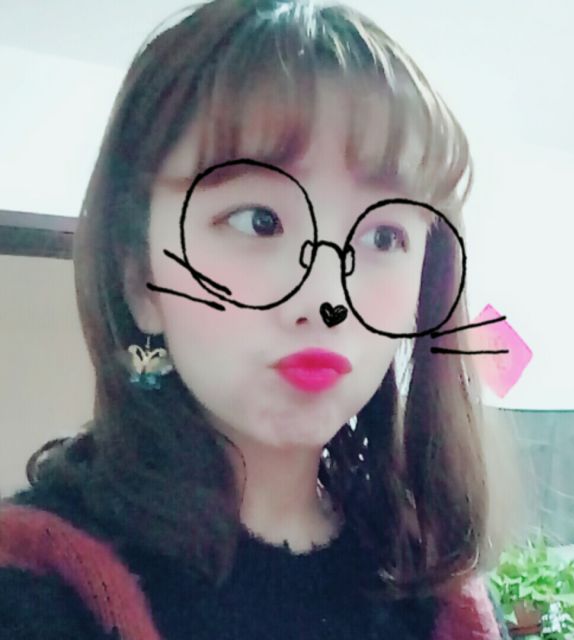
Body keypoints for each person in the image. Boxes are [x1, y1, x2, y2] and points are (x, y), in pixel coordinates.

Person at [0, 1, 515, 638]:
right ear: (140, 280)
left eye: (383, 237)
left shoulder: (438, 592)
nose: (325, 299)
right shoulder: (36, 585)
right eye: (259, 221)